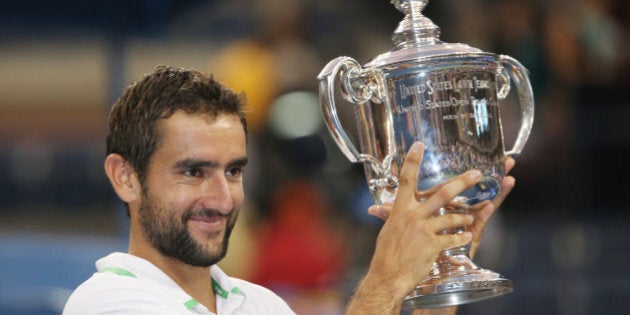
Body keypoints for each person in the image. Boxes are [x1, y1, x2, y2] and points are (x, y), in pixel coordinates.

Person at [62, 65, 515, 315]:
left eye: (234, 172)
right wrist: (385, 280)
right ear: (125, 177)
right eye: (193, 172)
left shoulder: (261, 304)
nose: (222, 199)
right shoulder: (107, 303)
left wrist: (437, 272)